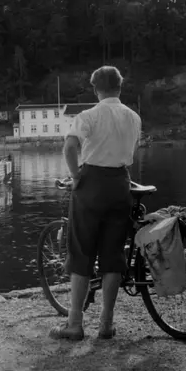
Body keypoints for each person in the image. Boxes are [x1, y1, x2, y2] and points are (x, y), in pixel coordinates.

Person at [50, 65, 141, 341]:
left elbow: (69, 147)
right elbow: (131, 151)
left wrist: (76, 176)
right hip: (120, 184)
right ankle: (106, 325)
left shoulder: (89, 115)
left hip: (91, 185)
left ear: (95, 89)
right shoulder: (134, 117)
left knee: (81, 253)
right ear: (120, 87)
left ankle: (75, 325)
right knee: (113, 255)